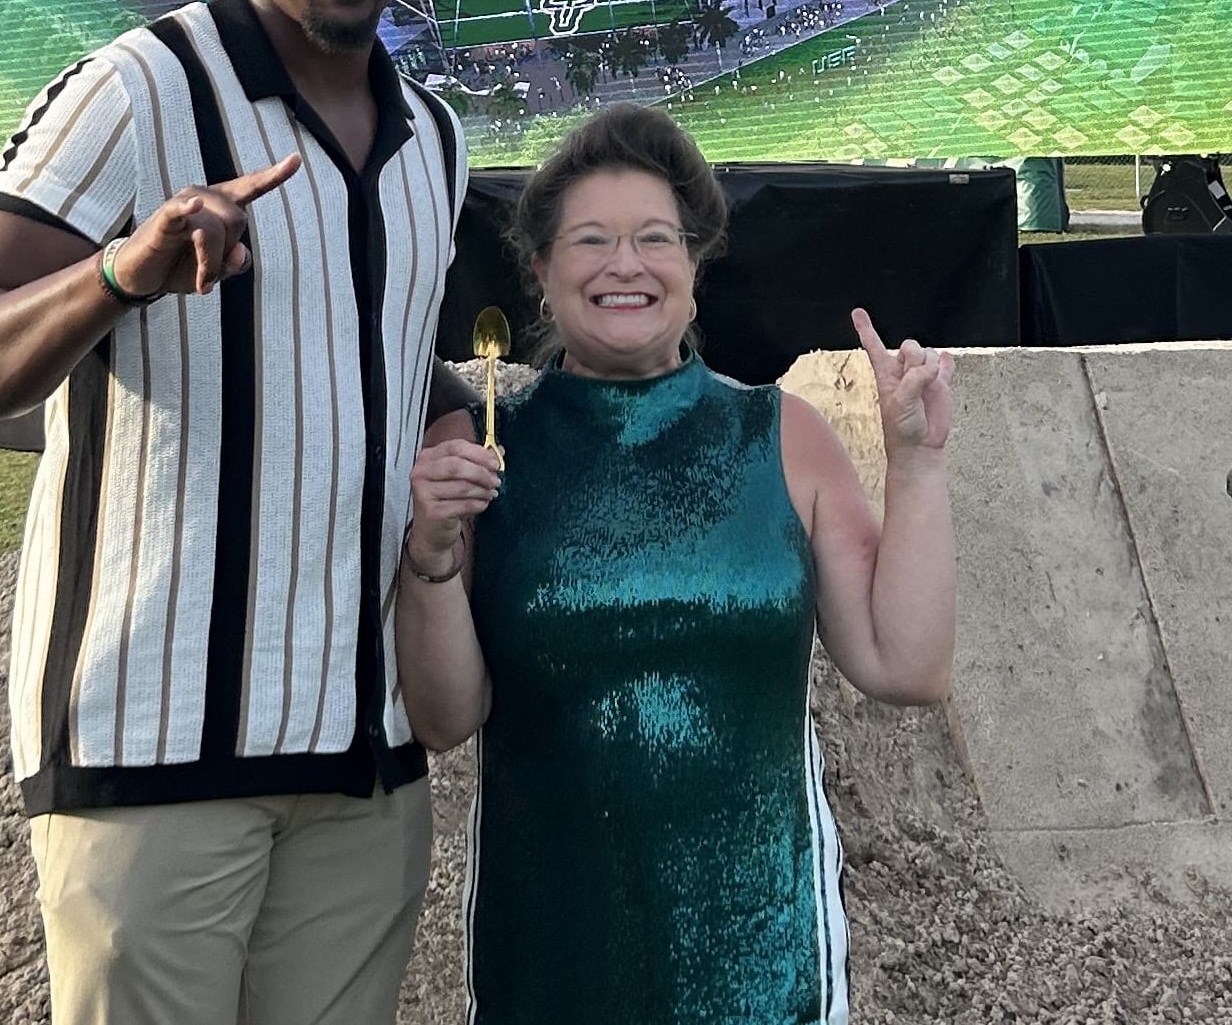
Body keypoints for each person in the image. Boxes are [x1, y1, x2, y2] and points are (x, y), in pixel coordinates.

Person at [0, 0, 473, 1025]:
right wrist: (120, 270)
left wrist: (449, 423)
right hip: (155, 741)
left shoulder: (433, 133)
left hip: (363, 753)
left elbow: (373, 344)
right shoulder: (140, 88)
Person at [394, 104, 957, 1025]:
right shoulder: (489, 455)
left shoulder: (781, 437)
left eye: (655, 238)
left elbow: (907, 665)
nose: (625, 264)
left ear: (694, 269)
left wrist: (918, 464)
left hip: (760, 946)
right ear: (541, 271)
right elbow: (444, 718)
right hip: (549, 942)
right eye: (590, 241)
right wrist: (427, 553)